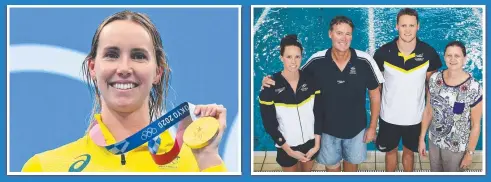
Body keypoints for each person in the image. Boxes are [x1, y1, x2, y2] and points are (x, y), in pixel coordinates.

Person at [22, 10, 227, 172]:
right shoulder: (46, 167)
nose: (124, 69)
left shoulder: (196, 165)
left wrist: (207, 156)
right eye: (112, 54)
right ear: (93, 68)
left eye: (138, 56)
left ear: (157, 72)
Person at [262, 16, 384, 172]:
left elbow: (375, 95)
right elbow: (293, 73)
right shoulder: (316, 61)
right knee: (332, 168)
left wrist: (373, 127)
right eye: (339, 33)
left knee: (351, 168)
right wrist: (270, 80)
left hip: (356, 130)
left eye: (348, 34)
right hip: (327, 132)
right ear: (330, 34)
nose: (344, 38)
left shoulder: (364, 61)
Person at [373, 8, 443, 172]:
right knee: (389, 153)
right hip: (388, 116)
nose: (407, 30)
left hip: (414, 118)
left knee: (409, 153)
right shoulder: (383, 52)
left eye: (411, 25)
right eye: (403, 25)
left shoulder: (428, 53)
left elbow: (431, 88)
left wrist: (427, 112)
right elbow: (377, 85)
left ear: (418, 26)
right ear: (397, 26)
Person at [259, 34, 322, 172]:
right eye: (289, 57)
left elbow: (318, 113)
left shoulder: (311, 80)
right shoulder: (270, 87)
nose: (293, 61)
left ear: (302, 57)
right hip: (286, 146)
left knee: (306, 174)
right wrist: (289, 151)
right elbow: (270, 125)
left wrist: (316, 145)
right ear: (281, 58)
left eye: (297, 57)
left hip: (310, 143)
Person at [418, 41, 482, 172]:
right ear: (444, 57)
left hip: (456, 148)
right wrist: (421, 138)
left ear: (465, 59)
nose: (452, 59)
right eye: (449, 55)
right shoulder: (435, 79)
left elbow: (475, 125)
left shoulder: (474, 88)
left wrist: (469, 154)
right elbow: (428, 111)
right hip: (434, 141)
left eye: (457, 56)